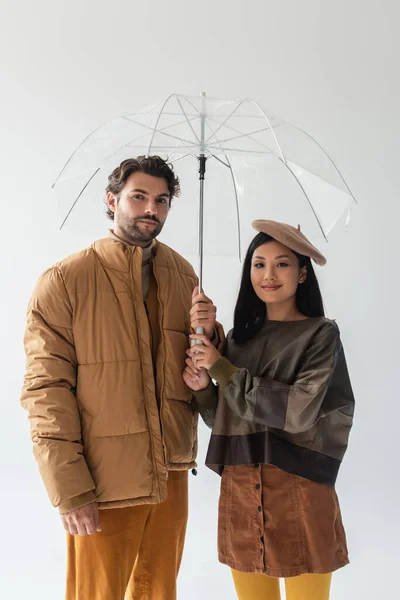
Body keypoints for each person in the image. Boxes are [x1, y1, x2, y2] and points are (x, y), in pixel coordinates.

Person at [21, 155, 222, 600]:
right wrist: (69, 489)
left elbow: (197, 374)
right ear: (112, 200)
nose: (150, 208)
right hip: (103, 480)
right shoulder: (65, 281)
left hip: (168, 473)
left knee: (159, 592)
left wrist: (210, 331)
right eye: (139, 197)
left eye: (162, 200)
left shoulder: (185, 276)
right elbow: (45, 392)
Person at [184, 220, 355, 600]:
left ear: (303, 273)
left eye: (282, 264)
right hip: (241, 492)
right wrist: (202, 391)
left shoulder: (321, 334)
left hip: (300, 491)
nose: (268, 275)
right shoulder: (237, 340)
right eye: (258, 264)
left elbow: (297, 411)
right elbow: (225, 419)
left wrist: (221, 367)